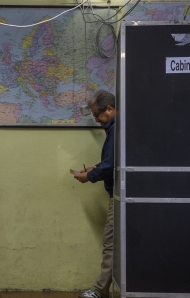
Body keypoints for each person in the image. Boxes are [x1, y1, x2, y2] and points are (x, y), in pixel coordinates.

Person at [74, 90, 116, 298]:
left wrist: (90, 176)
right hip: (118, 195)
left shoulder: (117, 130)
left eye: (97, 115)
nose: (97, 119)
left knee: (110, 243)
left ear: (109, 109)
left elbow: (112, 166)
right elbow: (111, 163)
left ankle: (100, 291)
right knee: (114, 242)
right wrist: (94, 168)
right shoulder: (115, 129)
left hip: (119, 197)